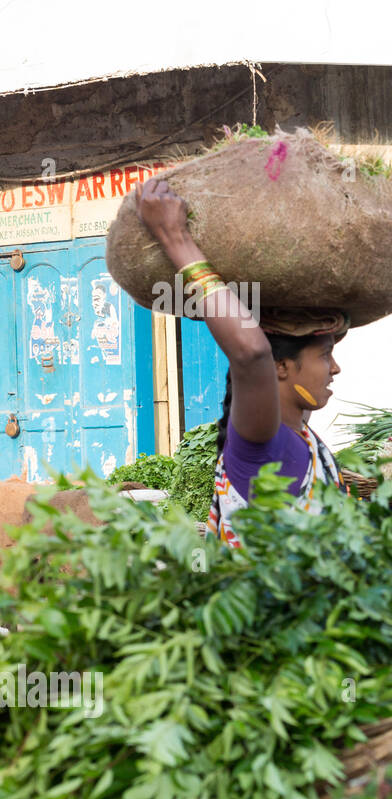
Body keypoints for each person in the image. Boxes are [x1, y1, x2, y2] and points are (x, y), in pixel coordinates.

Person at [135, 177, 347, 548]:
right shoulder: (262, 442)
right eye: (325, 355)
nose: (335, 368)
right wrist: (175, 237)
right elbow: (251, 353)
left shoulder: (304, 438)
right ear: (280, 368)